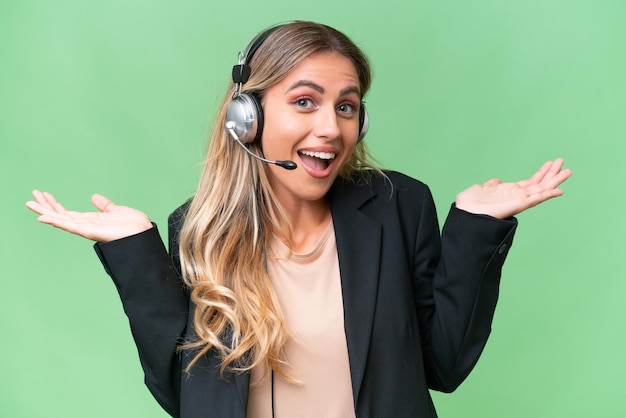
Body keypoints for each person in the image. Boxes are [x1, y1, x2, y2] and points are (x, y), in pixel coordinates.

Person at [26, 21, 571, 418]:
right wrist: (135, 256)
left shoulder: (397, 205)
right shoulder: (200, 228)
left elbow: (444, 368)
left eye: (347, 106)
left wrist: (475, 229)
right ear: (249, 118)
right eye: (305, 102)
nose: (331, 129)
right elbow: (186, 398)